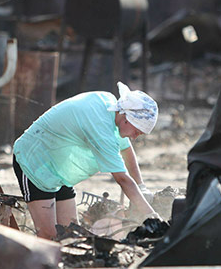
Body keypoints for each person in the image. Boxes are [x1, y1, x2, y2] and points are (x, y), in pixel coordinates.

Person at [12, 82, 160, 239]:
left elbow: (126, 150)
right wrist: (152, 216)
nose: (134, 137)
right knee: (48, 236)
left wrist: (141, 186)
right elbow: (122, 179)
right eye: (136, 132)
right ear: (126, 118)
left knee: (70, 233)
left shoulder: (112, 108)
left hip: (59, 169)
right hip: (35, 163)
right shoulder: (100, 126)